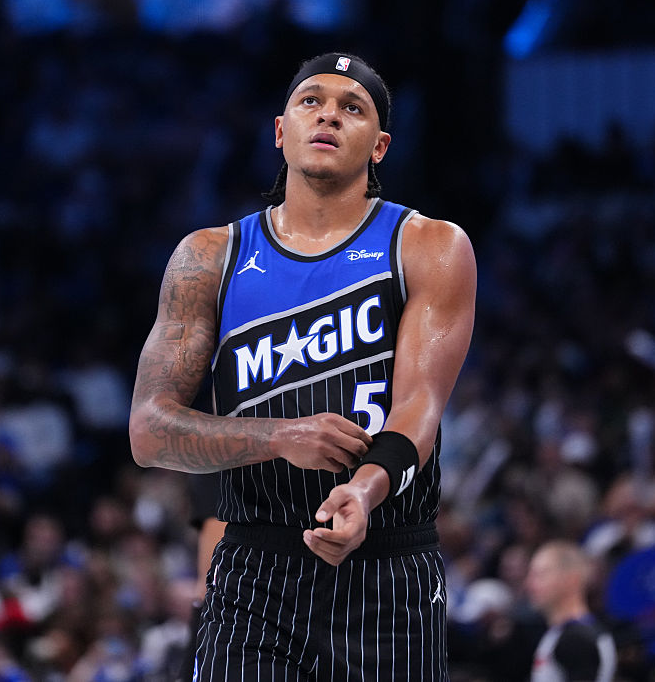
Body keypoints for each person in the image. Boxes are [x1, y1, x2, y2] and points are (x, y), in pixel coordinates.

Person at [129, 52, 476, 680]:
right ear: (281, 130)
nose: (329, 116)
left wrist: (365, 490)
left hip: (387, 567)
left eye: (353, 108)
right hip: (255, 566)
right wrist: (281, 438)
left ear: (380, 146)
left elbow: (419, 409)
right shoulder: (209, 256)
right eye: (311, 101)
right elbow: (150, 432)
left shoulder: (428, 245)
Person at [525, 540, 616, 682]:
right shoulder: (569, 632)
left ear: (571, 580)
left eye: (540, 575)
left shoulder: (576, 640)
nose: (529, 583)